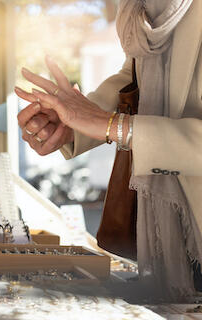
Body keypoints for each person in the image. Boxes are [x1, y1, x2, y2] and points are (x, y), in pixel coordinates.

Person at [15, 0, 202, 300]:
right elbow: (136, 75)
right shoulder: (144, 8)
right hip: (168, 245)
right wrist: (71, 121)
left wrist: (112, 124)